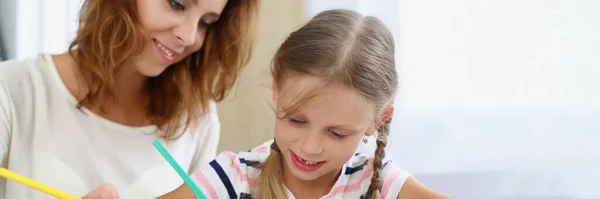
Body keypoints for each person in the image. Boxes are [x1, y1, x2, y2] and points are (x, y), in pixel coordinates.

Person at [87, 9, 453, 199]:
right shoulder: (233, 179)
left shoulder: (379, 183)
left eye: (337, 133)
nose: (310, 147)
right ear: (276, 88)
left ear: (379, 119)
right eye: (296, 120)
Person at [0, 0, 259, 198]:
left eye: (206, 23)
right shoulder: (12, 90)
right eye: (177, 3)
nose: (190, 37)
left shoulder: (197, 119)